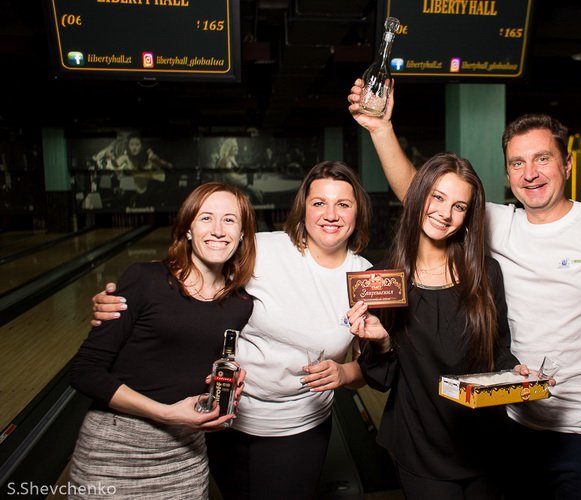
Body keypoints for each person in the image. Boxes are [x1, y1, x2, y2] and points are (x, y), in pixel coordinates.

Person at [347, 80, 581, 498]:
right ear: (508, 172)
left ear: (567, 164)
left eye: (542, 158)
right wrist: (381, 129)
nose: (530, 173)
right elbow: (422, 196)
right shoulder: (497, 224)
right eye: (517, 163)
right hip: (513, 422)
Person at [91, 161, 373, 499]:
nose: (330, 214)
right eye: (319, 203)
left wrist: (344, 372)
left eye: (343, 204)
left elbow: (371, 368)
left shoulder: (366, 278)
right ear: (303, 208)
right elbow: (194, 272)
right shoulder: (261, 249)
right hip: (222, 417)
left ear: (358, 211)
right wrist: (128, 294)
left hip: (297, 428)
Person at [347, 153, 529, 499]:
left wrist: (516, 374)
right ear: (419, 196)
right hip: (421, 447)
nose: (445, 213)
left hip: (485, 443)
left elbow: (498, 350)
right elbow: (380, 380)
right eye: (438, 197)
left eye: (459, 206)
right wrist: (381, 342)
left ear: (468, 216)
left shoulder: (486, 274)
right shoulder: (383, 283)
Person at [69, 182, 256, 499]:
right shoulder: (145, 279)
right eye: (206, 218)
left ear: (241, 235)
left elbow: (191, 362)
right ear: (187, 229)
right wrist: (164, 413)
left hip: (185, 458)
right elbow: (84, 371)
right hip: (113, 451)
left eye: (229, 220)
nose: (218, 230)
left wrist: (221, 385)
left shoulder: (241, 305)